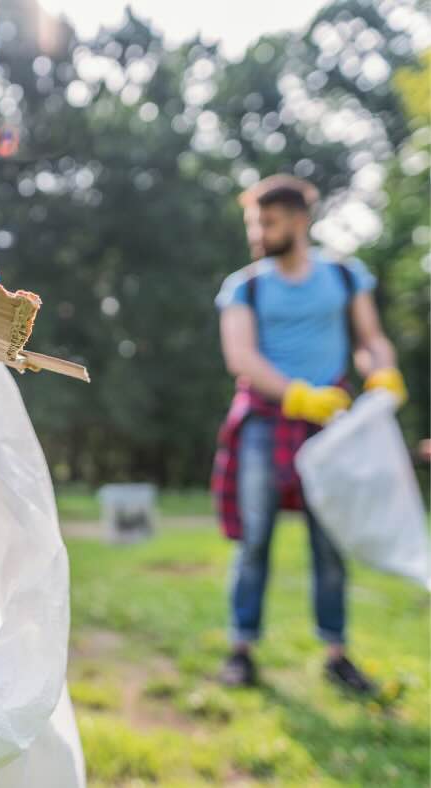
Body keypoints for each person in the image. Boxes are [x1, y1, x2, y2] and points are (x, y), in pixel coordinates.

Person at [211, 175, 408, 692]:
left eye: (269, 222)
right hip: (264, 421)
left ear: (300, 221)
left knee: (331, 542)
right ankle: (241, 650)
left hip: (330, 426)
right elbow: (241, 357)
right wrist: (296, 394)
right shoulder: (245, 286)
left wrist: (382, 372)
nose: (258, 233)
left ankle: (336, 654)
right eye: (254, 223)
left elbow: (370, 340)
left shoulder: (343, 276)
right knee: (254, 541)